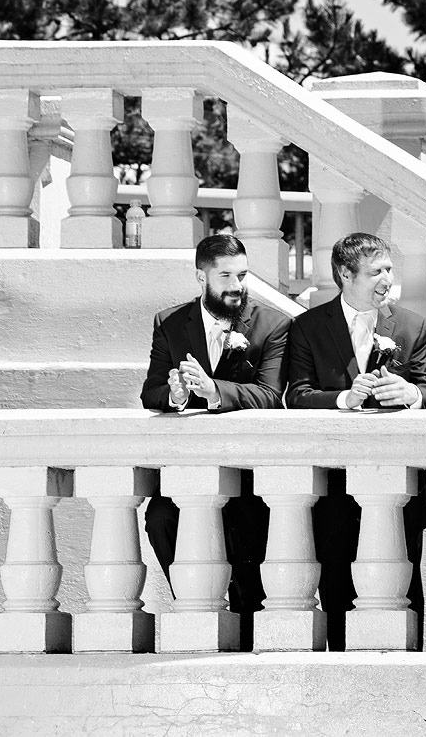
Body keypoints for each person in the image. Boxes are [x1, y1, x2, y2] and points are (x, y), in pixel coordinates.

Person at [285, 232, 426, 650]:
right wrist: (343, 399)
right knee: (336, 586)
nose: (386, 279)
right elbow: (295, 396)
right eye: (375, 272)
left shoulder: (411, 325)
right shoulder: (307, 327)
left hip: (400, 484)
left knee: (405, 587)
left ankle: (409, 672)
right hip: (334, 487)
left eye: (389, 268)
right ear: (345, 274)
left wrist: (411, 395)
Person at [140, 234, 290, 645]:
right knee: (160, 519)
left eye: (242, 275)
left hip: (248, 473)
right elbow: (150, 392)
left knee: (243, 530)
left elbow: (271, 394)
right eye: (225, 275)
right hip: (190, 469)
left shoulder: (273, 324)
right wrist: (174, 394)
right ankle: (196, 611)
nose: (236, 285)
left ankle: (247, 627)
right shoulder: (169, 322)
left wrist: (215, 392)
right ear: (200, 276)